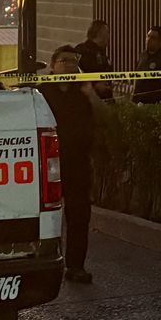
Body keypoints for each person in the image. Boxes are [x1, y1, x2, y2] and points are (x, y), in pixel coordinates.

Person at [42, 44, 103, 284]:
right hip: (48, 166)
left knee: (79, 216)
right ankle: (47, 264)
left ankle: (76, 266)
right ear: (53, 65)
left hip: (78, 163)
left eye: (72, 61)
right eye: (63, 61)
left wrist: (91, 95)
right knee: (49, 218)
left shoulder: (83, 91)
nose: (69, 65)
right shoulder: (42, 92)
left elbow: (106, 118)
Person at [132, 25, 161, 105]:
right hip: (138, 104)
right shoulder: (142, 56)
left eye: (153, 38)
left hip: (156, 105)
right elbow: (136, 78)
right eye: (148, 36)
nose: (149, 40)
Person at [74, 19, 114, 102]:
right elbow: (74, 75)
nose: (109, 36)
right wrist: (94, 85)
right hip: (87, 100)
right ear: (100, 33)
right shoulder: (82, 51)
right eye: (107, 32)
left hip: (104, 99)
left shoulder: (101, 53)